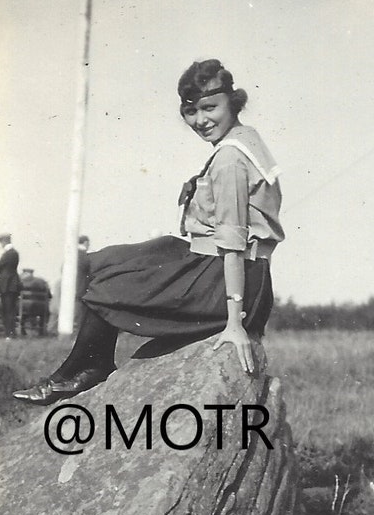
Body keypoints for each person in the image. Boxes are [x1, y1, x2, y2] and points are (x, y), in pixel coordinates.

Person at [14, 58, 285, 405]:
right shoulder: (244, 137)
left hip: (229, 281)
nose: (201, 120)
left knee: (110, 285)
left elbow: (233, 244)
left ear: (233, 102)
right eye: (191, 111)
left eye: (210, 108)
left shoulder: (231, 158)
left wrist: (236, 325)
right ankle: (89, 364)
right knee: (102, 262)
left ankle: (81, 371)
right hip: (218, 265)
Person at [0, 233, 22, 339]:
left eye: (0, 242)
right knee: (9, 309)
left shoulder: (9, 253)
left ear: (4, 241)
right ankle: (10, 332)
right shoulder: (13, 253)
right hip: (11, 284)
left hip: (8, 284)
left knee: (8, 309)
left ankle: (9, 333)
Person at [19, 268, 52, 336]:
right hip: (41, 308)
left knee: (18, 306)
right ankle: (41, 331)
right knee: (46, 309)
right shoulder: (42, 282)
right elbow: (49, 296)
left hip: (24, 307)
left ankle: (22, 330)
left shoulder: (21, 282)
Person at [75, 235, 92, 328]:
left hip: (73, 287)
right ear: (85, 243)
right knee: (81, 311)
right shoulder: (84, 255)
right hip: (81, 287)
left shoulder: (72, 254)